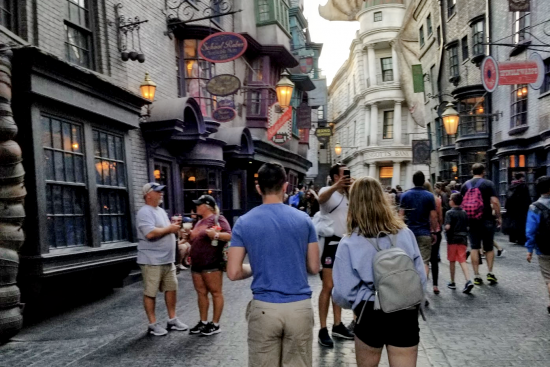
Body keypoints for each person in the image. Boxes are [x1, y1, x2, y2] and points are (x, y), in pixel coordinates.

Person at [227, 162, 320, 367]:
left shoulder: (244, 222)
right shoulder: (304, 220)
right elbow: (314, 267)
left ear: (258, 188)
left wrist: (254, 267)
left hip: (264, 309)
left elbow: (233, 272)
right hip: (299, 308)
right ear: (285, 187)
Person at [332, 177, 426, 367]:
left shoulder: (349, 242)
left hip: (370, 310)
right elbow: (420, 277)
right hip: (404, 309)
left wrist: (356, 304)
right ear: (382, 199)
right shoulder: (405, 233)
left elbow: (342, 292)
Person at [136, 183, 189, 336]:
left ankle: (172, 320)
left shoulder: (160, 211)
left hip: (167, 259)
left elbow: (164, 230)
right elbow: (150, 234)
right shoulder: (144, 212)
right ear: (148, 195)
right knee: (150, 292)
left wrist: (172, 227)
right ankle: (152, 324)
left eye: (161, 191)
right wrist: (170, 228)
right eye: (158, 192)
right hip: (151, 260)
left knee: (172, 288)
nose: (161, 194)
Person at [316, 163, 355, 347]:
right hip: (331, 244)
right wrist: (336, 187)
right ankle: (323, 328)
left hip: (345, 244)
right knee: (328, 286)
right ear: (334, 176)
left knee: (339, 287)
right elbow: (321, 199)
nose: (346, 177)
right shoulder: (328, 190)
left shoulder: (349, 194)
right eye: (343, 174)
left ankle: (337, 325)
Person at [185, 195, 232, 336]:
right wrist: (188, 236)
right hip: (197, 263)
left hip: (211, 262)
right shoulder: (199, 222)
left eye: (198, 204)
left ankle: (215, 324)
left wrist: (216, 235)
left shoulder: (218, 219)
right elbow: (195, 240)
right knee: (201, 293)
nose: (196, 207)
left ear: (207, 206)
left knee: (216, 292)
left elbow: (230, 235)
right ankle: (203, 322)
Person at [461, 163, 501, 286]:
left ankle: (477, 275)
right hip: (487, 219)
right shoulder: (489, 184)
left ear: (472, 172)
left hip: (471, 220)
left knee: (474, 247)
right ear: (483, 171)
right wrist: (498, 216)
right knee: (489, 247)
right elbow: (494, 201)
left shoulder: (465, 185)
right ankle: (490, 272)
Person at [399, 171, 438, 279]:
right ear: (423, 181)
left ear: (413, 181)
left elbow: (401, 216)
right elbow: (433, 216)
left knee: (409, 260)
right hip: (424, 232)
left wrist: (400, 231)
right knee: (424, 262)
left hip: (409, 233)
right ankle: (423, 287)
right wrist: (434, 231)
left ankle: (412, 285)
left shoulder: (405, 195)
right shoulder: (429, 196)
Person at [525, 176, 550, 315]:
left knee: (549, 278)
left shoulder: (534, 207)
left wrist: (529, 249)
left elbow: (531, 230)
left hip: (544, 246)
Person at [445, 193, 474, 293]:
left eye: (450, 199)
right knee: (462, 260)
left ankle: (452, 282)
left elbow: (448, 227)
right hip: (463, 239)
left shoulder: (449, 213)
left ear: (452, 201)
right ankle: (468, 280)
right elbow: (468, 226)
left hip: (452, 239)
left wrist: (445, 228)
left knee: (452, 261)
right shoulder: (464, 213)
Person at [424, 182, 443, 294]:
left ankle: (423, 286)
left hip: (422, 231)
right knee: (434, 259)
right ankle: (435, 285)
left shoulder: (418, 198)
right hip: (435, 231)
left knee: (422, 260)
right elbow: (440, 217)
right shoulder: (437, 200)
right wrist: (437, 228)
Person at [505, 173, 531, 245]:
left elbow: (508, 197)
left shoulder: (511, 185)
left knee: (513, 223)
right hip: (521, 208)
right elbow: (526, 198)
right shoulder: (523, 186)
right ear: (521, 178)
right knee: (522, 224)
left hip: (512, 209)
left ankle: (513, 238)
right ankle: (521, 239)